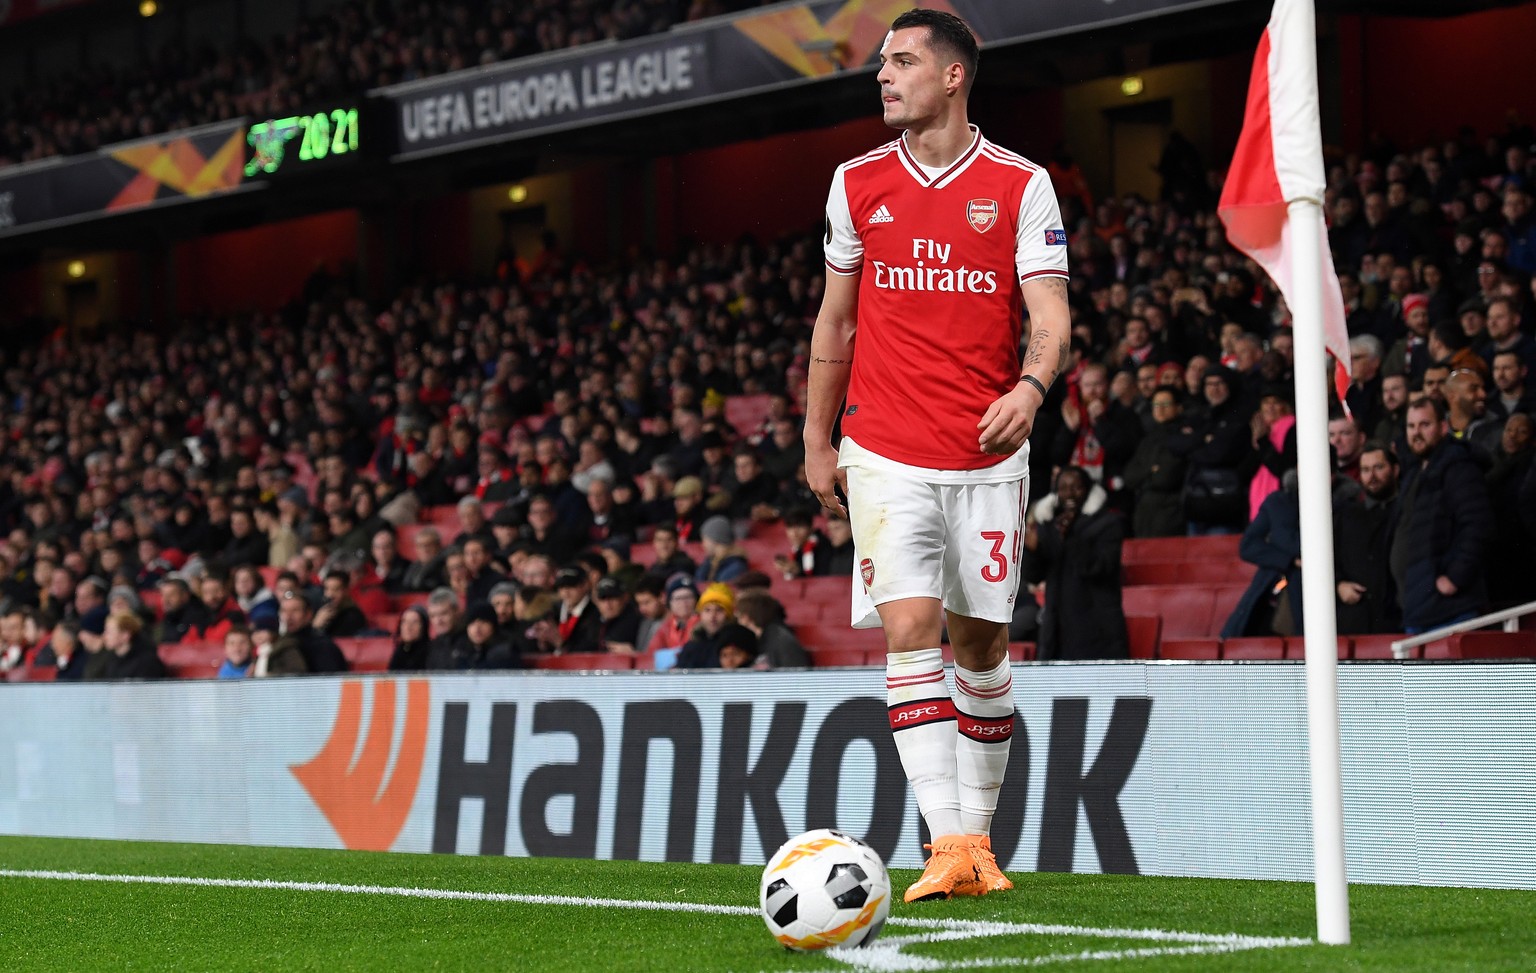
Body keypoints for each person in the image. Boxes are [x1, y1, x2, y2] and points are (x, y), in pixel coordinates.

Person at [806, 8, 1070, 904]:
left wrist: (1029, 391)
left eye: (903, 61)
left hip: (988, 457)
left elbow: (1051, 320)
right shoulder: (856, 183)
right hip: (883, 447)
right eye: (883, 62)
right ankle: (945, 838)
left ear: (953, 76)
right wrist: (818, 434)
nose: (884, 75)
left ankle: (978, 845)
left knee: (983, 649)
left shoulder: (1020, 183)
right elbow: (835, 321)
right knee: (911, 631)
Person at [1391, 396, 1493, 635]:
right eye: (1411, 426)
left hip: (1449, 610)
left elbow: (1479, 524)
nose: (1416, 433)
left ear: (1443, 427)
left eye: (1425, 425)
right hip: (1417, 606)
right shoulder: (1415, 472)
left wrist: (1455, 577)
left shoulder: (1459, 466)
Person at [1021, 467, 1128, 658]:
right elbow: (1034, 575)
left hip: (1098, 626)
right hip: (1058, 627)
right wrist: (1033, 550)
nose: (1069, 494)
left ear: (1088, 490)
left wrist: (1070, 536)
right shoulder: (1050, 525)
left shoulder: (1108, 523)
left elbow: (1100, 568)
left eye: (1076, 487)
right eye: (1063, 488)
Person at [1120, 386, 1190, 537]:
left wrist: (1145, 473)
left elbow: (1165, 478)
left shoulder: (1182, 436)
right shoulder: (1148, 439)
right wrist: (1150, 470)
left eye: (1165, 404)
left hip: (1171, 511)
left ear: (1178, 408)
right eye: (1156, 405)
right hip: (1145, 512)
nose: (1160, 409)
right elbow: (1129, 477)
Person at [426, 601, 519, 671]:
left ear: (493, 626)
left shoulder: (506, 651)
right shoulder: (460, 651)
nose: (477, 628)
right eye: (472, 623)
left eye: (483, 622)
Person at [733, 588, 811, 669]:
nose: (738, 622)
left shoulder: (780, 639)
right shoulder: (765, 638)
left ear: (746, 617)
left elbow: (795, 674)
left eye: (739, 616)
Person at [675, 582, 737, 668]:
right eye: (707, 610)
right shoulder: (692, 645)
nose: (712, 616)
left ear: (728, 615)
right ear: (700, 614)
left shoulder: (737, 645)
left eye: (719, 610)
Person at [593, 577, 642, 653]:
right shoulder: (592, 621)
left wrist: (634, 654)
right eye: (603, 599)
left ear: (625, 597)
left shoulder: (637, 621)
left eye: (612, 598)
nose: (608, 605)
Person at [388, 606, 432, 671]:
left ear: (424, 627)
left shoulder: (432, 652)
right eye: (404, 622)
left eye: (415, 622)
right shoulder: (399, 650)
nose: (408, 627)